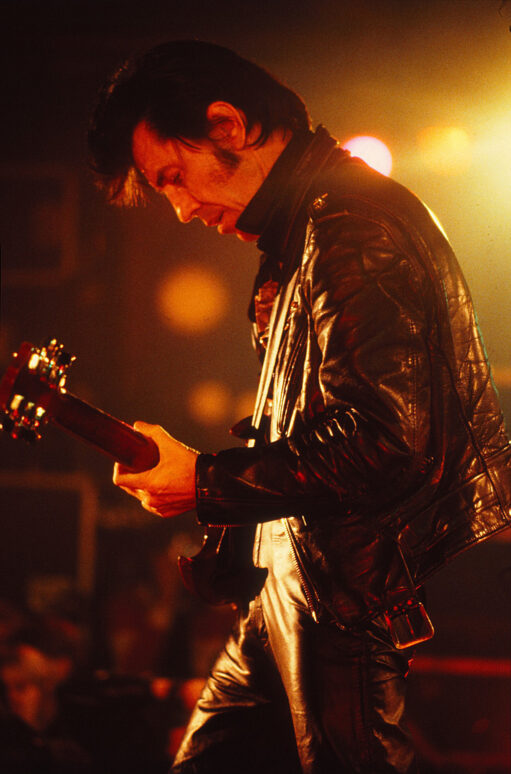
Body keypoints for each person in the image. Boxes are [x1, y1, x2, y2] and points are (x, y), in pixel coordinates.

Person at [88, 40, 511, 774]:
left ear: (228, 126)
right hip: (295, 581)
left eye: (174, 178)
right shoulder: (311, 228)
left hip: (333, 592)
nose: (182, 211)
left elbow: (385, 439)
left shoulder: (352, 226)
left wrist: (209, 481)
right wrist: (199, 472)